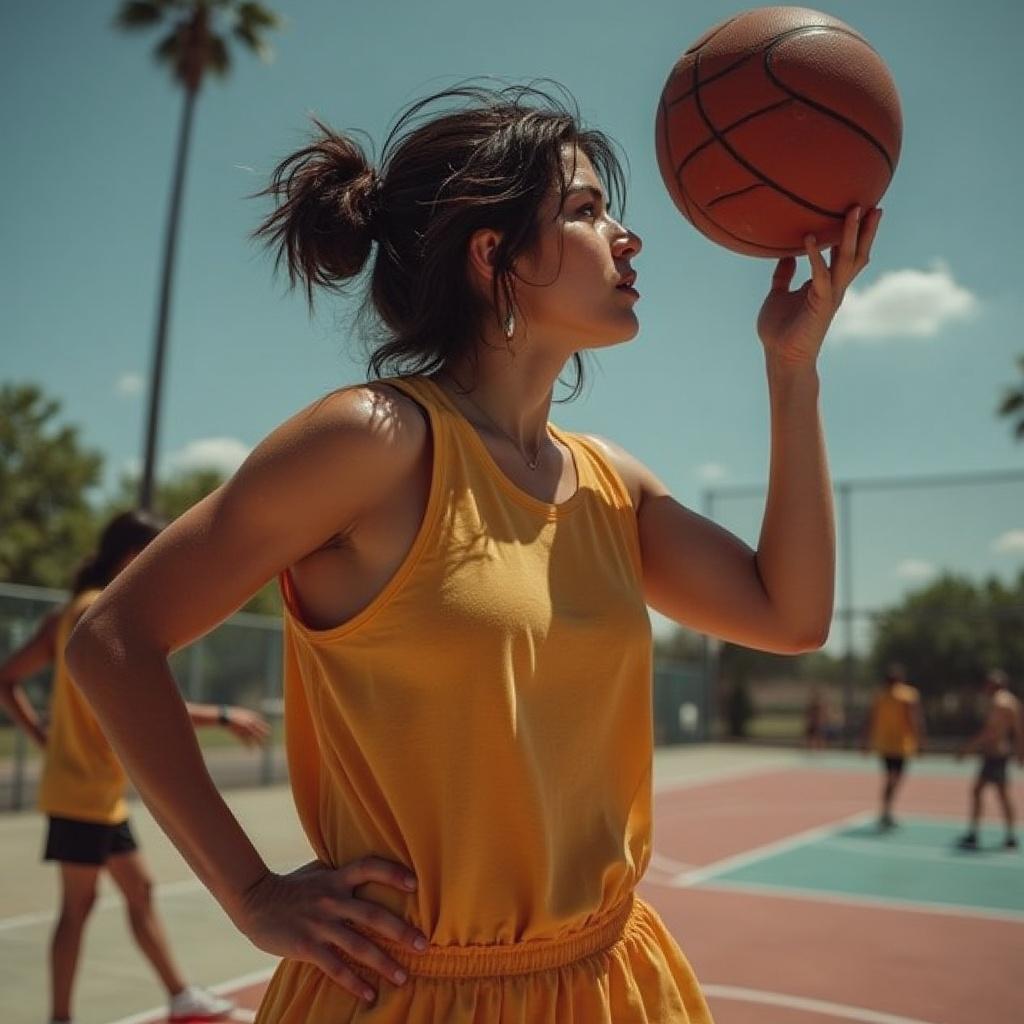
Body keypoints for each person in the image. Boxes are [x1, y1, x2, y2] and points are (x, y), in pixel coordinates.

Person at [63, 86, 880, 1023]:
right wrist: (251, 894)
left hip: (606, 978)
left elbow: (790, 616)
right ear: (492, 255)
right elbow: (111, 640)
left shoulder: (609, 482)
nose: (627, 237)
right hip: (408, 988)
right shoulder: (374, 441)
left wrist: (792, 369)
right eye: (585, 210)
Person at [0, 510, 270, 1024]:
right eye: (153, 553)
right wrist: (224, 715)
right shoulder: (97, 610)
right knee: (77, 909)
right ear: (130, 555)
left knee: (139, 891)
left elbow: (6, 678)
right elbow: (139, 701)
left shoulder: (71, 612)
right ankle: (60, 1017)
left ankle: (179, 995)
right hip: (81, 794)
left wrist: (43, 740)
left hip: (97, 792)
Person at [956, 669, 1024, 850]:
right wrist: (1020, 752)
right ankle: (1010, 835)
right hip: (1001, 753)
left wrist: (968, 749)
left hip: (994, 754)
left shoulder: (998, 702)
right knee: (1000, 794)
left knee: (980, 791)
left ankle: (975, 834)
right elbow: (1018, 731)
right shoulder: (1013, 702)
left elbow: (990, 731)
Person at [863, 663, 924, 829]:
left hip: (886, 744)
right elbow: (914, 720)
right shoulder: (907, 695)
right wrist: (919, 740)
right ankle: (886, 811)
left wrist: (866, 742)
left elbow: (871, 719)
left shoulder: (881, 695)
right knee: (894, 779)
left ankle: (886, 811)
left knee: (891, 779)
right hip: (900, 745)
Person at [804, 685, 828, 750]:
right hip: (813, 724)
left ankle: (819, 749)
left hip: (818, 724)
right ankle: (812, 749)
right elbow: (808, 714)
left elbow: (823, 714)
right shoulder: (811, 704)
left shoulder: (820, 705)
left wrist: (822, 721)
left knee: (819, 737)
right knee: (811, 738)